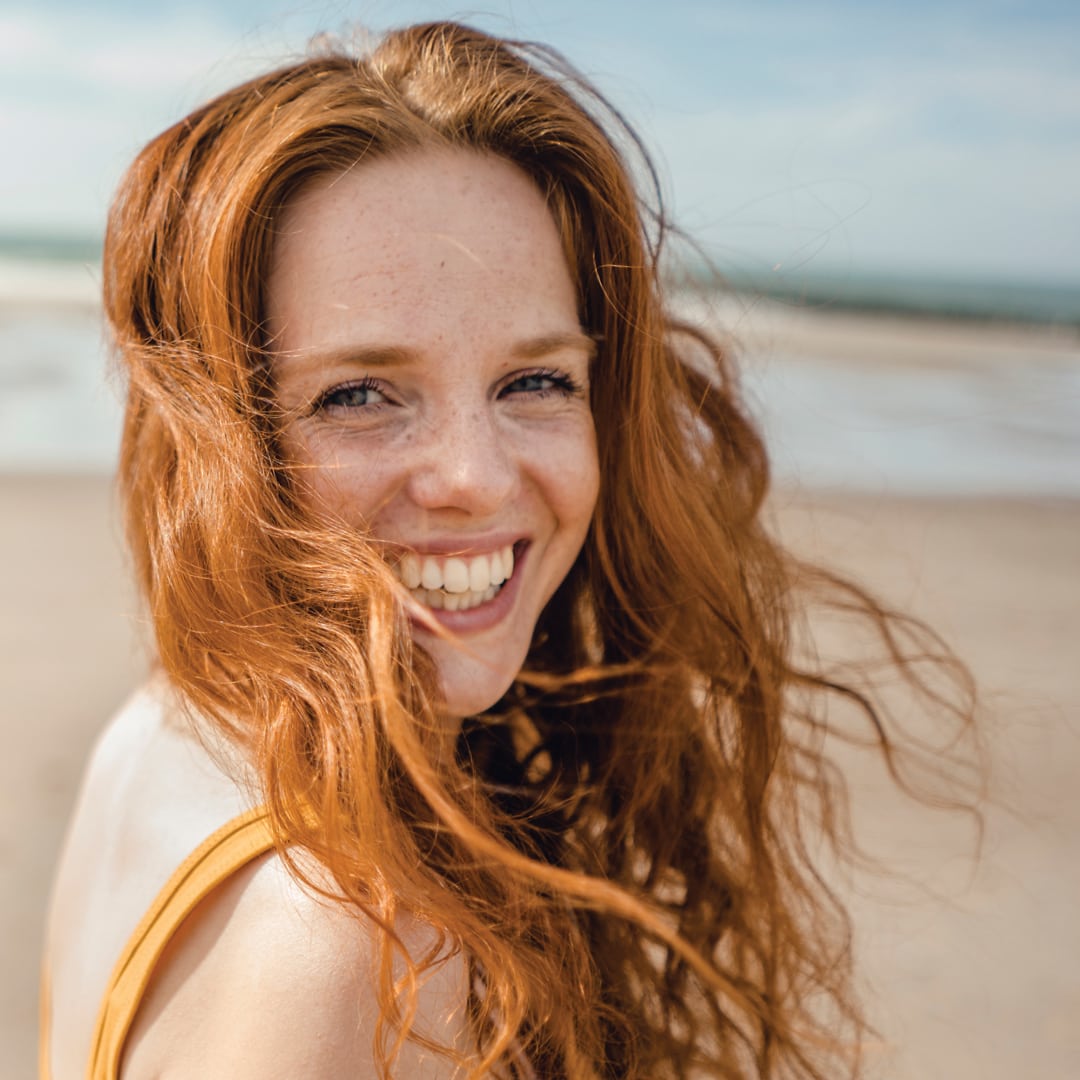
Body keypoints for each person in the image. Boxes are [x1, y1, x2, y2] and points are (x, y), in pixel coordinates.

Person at [40, 21, 979, 1080]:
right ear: (226, 439)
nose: (477, 477)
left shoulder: (171, 723)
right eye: (358, 395)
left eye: (534, 382)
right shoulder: (365, 949)